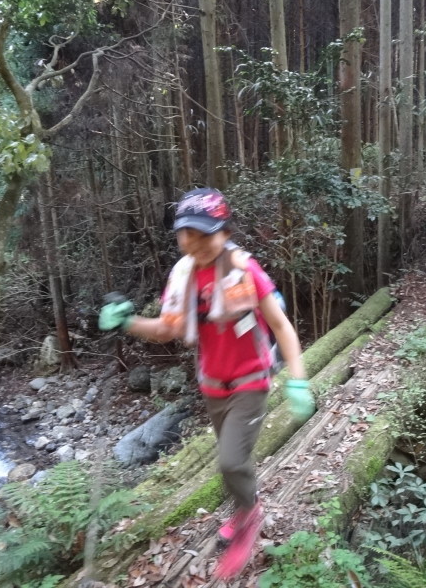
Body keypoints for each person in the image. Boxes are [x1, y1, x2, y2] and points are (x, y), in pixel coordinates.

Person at [98, 187, 314, 580]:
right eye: (187, 234)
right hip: (213, 385)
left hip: (251, 379)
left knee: (231, 461)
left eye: (203, 233)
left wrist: (298, 379)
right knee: (233, 463)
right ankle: (243, 506)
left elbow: (281, 325)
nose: (194, 242)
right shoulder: (182, 275)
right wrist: (128, 321)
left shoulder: (243, 269)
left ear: (223, 231)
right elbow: (168, 329)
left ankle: (250, 517)